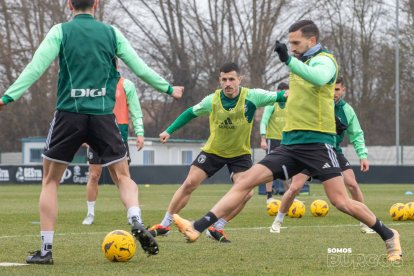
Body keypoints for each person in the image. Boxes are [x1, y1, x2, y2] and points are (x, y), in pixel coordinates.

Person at [173, 20, 402, 262]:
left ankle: (389, 235)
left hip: (317, 144)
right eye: (289, 43)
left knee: (341, 201)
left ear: (311, 41)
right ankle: (198, 226)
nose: (291, 47)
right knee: (245, 182)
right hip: (290, 144)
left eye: (296, 42)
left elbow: (319, 77)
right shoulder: (300, 63)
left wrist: (289, 61)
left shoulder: (325, 60)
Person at [0, 0, 184, 264]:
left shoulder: (60, 31)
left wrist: (9, 97)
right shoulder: (111, 33)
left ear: (68, 4)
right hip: (103, 116)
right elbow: (139, 67)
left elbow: (35, 67)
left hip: (69, 114)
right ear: (96, 4)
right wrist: (168, 89)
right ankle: (135, 218)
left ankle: (46, 250)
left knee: (50, 181)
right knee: (122, 176)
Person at [148, 62, 287, 243]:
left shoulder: (252, 96)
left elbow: (280, 96)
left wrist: (294, 92)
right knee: (190, 183)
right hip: (214, 150)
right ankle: (165, 225)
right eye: (224, 79)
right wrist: (168, 130)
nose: (228, 83)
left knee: (247, 193)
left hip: (239, 154)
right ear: (219, 80)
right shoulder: (212, 100)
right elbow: (190, 113)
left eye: (231, 79)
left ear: (239, 80)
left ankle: (217, 227)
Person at [270, 76, 375, 234]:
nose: (334, 93)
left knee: (352, 184)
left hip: (332, 151)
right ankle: (277, 221)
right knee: (294, 188)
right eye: (331, 89)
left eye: (337, 89)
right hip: (310, 151)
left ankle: (365, 223)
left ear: (343, 90)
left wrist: (363, 155)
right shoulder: (316, 104)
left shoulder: (347, 110)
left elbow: (356, 134)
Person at [82, 75, 144, 225]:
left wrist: (139, 132)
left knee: (121, 178)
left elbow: (135, 109)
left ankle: (132, 213)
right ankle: (90, 214)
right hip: (95, 134)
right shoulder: (93, 82)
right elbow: (84, 107)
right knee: (94, 175)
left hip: (118, 135)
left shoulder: (126, 84)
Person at [260, 82, 290, 202]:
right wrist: (263, 139)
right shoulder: (272, 103)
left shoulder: (291, 104)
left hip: (288, 140)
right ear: (280, 92)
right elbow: (264, 121)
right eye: (286, 92)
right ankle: (269, 196)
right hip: (273, 140)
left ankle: (288, 197)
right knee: (270, 169)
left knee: (290, 168)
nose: (288, 95)